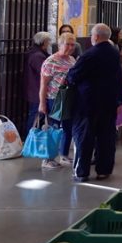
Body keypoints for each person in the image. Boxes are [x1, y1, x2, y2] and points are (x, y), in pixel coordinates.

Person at [67, 23, 122, 182]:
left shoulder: (89, 54)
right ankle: (104, 170)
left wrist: (70, 77)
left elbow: (73, 76)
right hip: (109, 102)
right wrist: (120, 100)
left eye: (92, 35)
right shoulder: (115, 53)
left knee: (84, 137)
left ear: (96, 36)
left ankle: (82, 171)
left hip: (88, 103)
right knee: (106, 137)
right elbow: (120, 78)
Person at [37, 31, 78, 169]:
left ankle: (64, 155)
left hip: (68, 97)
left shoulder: (72, 59)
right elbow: (43, 84)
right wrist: (42, 103)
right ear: (60, 44)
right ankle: (47, 159)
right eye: (68, 44)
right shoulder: (50, 61)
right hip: (54, 99)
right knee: (53, 129)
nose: (71, 47)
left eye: (73, 44)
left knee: (68, 129)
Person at [23, 31, 51, 136]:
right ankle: (30, 139)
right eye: (48, 41)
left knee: (37, 116)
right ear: (43, 42)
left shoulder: (35, 53)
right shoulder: (37, 56)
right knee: (35, 116)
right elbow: (44, 72)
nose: (49, 43)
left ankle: (32, 138)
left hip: (34, 90)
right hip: (36, 90)